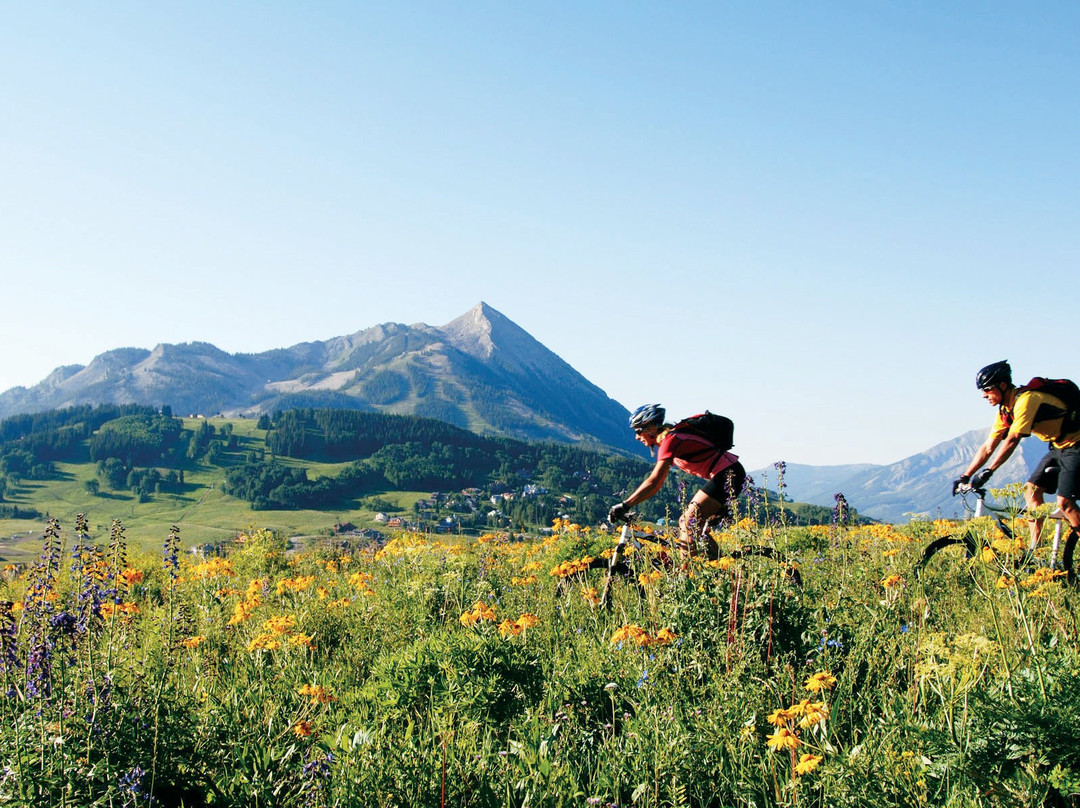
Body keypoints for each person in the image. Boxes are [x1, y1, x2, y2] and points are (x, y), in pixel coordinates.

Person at [954, 360, 1080, 544]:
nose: (983, 395)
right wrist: (965, 476)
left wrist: (989, 471)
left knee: (1065, 503)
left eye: (987, 389)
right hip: (1058, 447)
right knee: (1031, 491)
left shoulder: (1027, 400)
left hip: (1076, 445)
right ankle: (1036, 553)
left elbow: (1013, 439)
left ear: (1003, 385)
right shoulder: (1005, 411)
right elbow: (989, 446)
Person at [608, 404, 745, 557]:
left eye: (638, 431)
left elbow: (654, 482)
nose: (636, 436)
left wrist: (625, 505)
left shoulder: (671, 440)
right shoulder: (672, 438)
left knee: (687, 522)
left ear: (651, 428)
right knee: (696, 528)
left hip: (728, 474)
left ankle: (686, 575)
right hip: (727, 474)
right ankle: (721, 568)